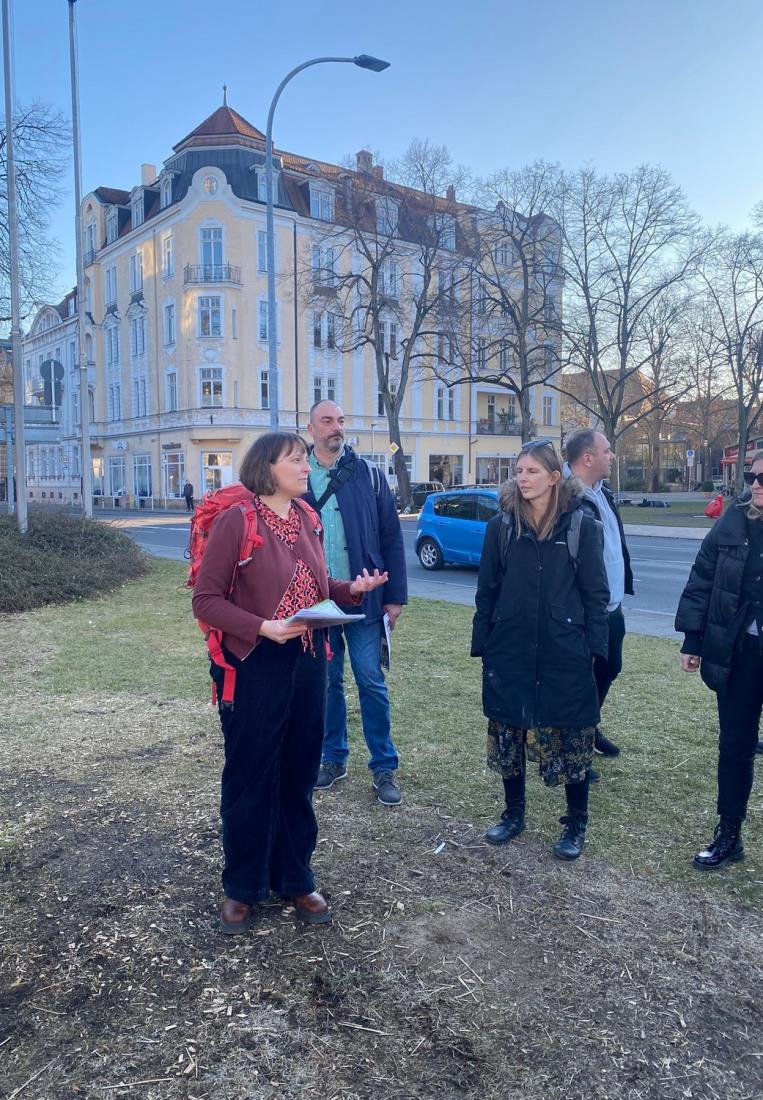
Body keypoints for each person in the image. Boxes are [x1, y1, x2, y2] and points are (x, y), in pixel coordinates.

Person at [191, 432, 387, 933]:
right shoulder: (238, 521)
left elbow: (317, 587)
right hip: (254, 663)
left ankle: (295, 877)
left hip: (308, 661)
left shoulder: (307, 517)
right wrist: (263, 627)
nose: (305, 467)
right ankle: (242, 887)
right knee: (250, 776)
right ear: (268, 468)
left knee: (298, 772)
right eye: (296, 460)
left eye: (304, 459)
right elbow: (206, 600)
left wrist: (350, 589)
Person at [472, 440, 610, 860]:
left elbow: (596, 596)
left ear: (553, 477)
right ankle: (513, 813)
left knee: (571, 733)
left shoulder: (582, 527)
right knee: (509, 730)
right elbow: (486, 591)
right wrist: (484, 644)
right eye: (518, 470)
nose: (522, 478)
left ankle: (576, 822)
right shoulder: (501, 527)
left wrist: (593, 650)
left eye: (531, 471)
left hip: (564, 649)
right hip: (510, 647)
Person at [304, 401, 408, 806]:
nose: (337, 427)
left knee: (370, 680)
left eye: (341, 420)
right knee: (326, 683)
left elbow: (391, 535)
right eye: (327, 420)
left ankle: (384, 765)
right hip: (318, 601)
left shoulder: (368, 474)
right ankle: (333, 757)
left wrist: (394, 598)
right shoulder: (298, 474)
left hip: (365, 598)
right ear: (311, 428)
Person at [675, 451, 763, 871]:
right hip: (740, 653)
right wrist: (693, 640)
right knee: (735, 747)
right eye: (752, 476)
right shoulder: (733, 523)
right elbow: (702, 582)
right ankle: (729, 834)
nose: (756, 484)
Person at [565, 429, 634, 760]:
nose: (612, 456)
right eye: (607, 450)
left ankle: (589, 728)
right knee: (582, 678)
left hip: (612, 606)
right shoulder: (566, 498)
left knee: (609, 667)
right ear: (588, 457)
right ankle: (573, 745)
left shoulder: (601, 493)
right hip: (584, 609)